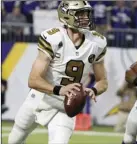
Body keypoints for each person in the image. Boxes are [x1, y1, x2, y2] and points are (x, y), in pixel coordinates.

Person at [8, 1, 108, 144]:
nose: (85, 17)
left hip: (66, 106)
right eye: (80, 14)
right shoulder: (53, 38)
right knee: (14, 139)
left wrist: (94, 90)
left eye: (87, 13)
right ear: (66, 16)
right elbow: (33, 80)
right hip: (40, 98)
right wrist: (60, 89)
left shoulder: (97, 43)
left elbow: (103, 81)